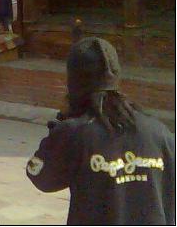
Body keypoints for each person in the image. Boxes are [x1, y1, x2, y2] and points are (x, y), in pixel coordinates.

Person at [26, 37, 175, 225]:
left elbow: (41, 177)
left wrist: (59, 127)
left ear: (73, 82)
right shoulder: (160, 132)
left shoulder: (74, 133)